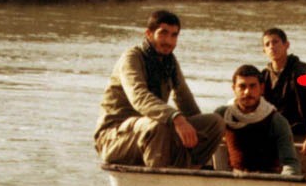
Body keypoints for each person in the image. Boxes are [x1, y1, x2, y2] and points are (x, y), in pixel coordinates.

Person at [94, 10, 225, 168]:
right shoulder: (132, 58)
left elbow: (186, 103)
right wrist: (176, 118)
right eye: (163, 33)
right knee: (158, 125)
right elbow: (139, 97)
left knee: (215, 123)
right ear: (149, 34)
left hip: (151, 132)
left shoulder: (170, 63)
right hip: (114, 138)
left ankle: (191, 169)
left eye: (174, 35)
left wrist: (205, 133)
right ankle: (159, 178)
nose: (168, 41)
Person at [260, 28, 306, 176]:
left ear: (286, 45)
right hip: (273, 138)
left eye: (275, 42)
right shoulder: (262, 77)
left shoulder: (302, 74)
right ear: (264, 50)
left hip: (301, 138)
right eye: (267, 44)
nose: (272, 47)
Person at [215, 65, 301, 175]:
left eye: (253, 86)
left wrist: (286, 180)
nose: (247, 92)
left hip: (268, 179)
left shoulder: (276, 121)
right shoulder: (223, 115)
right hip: (234, 178)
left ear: (262, 88)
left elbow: (290, 162)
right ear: (234, 89)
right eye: (242, 86)